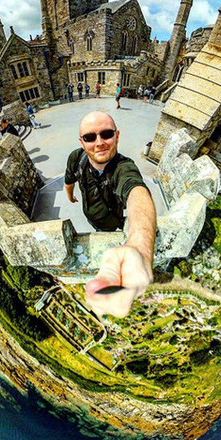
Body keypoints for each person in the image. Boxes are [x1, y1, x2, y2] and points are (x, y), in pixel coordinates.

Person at [64, 111, 156, 317]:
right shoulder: (76, 158)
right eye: (90, 137)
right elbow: (69, 180)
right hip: (90, 214)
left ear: (117, 135)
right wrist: (70, 196)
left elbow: (136, 192)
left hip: (111, 221)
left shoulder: (124, 168)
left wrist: (139, 248)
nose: (99, 143)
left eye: (106, 134)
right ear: (82, 142)